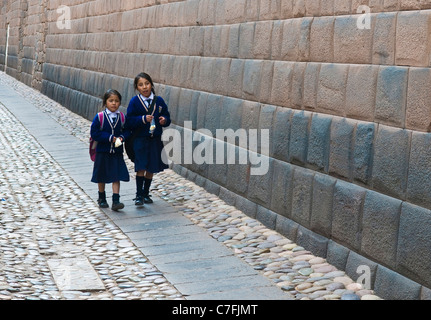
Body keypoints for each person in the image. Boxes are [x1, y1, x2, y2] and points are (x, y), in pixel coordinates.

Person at [127, 73, 171, 206]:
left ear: (151, 84)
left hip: (155, 139)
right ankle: (138, 194)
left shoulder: (159, 101)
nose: (144, 87)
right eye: (141, 85)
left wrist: (165, 120)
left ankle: (146, 193)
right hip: (140, 140)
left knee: (151, 168)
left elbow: (167, 116)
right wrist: (142, 119)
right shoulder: (134, 102)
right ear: (137, 87)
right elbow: (129, 120)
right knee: (140, 167)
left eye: (147, 83)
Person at [91, 89, 131, 211]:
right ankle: (102, 197)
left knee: (116, 175)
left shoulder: (122, 117)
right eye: (111, 101)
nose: (114, 103)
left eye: (116, 101)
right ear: (105, 102)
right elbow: (95, 133)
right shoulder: (100, 117)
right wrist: (109, 138)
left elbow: (128, 131)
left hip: (116, 153)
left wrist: (122, 137)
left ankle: (116, 200)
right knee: (101, 175)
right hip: (102, 151)